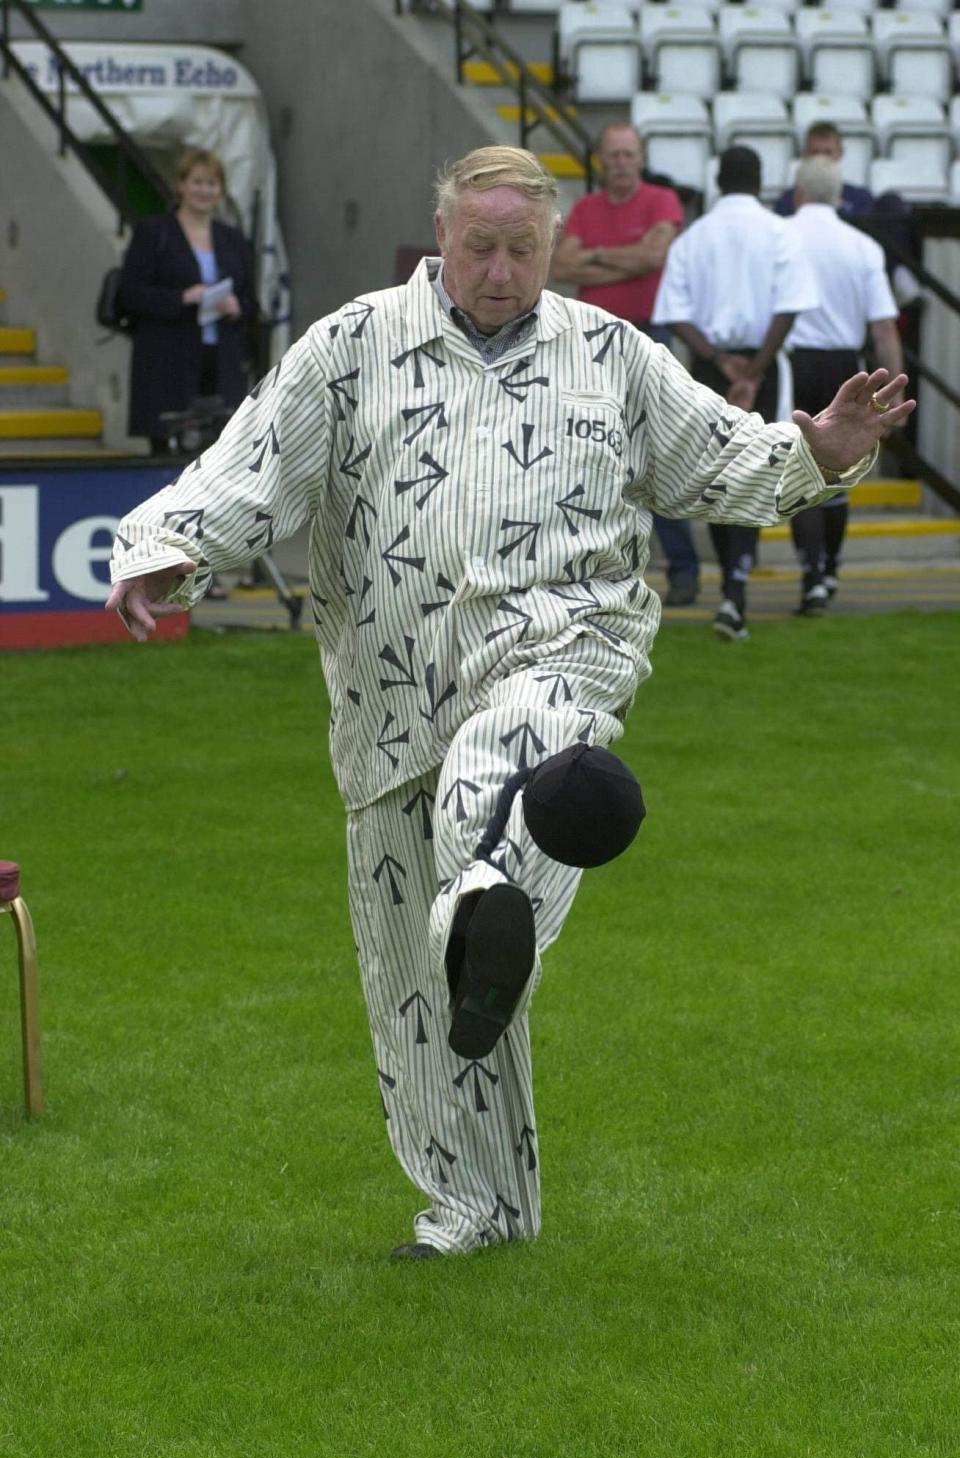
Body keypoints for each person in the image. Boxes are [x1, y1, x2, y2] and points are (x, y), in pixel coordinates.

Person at [106, 145, 912, 1260]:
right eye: (479, 246)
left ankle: (484, 898)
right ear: (440, 236)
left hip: (559, 645)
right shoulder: (351, 347)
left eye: (521, 250)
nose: (498, 271)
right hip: (388, 696)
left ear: (552, 248)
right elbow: (249, 468)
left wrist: (819, 446)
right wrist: (166, 548)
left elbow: (719, 458)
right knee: (414, 991)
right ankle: (476, 1204)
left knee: (504, 773)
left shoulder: (610, 355)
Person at [651, 146, 820, 641]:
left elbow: (675, 313)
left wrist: (720, 362)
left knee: (717, 476)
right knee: (755, 473)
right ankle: (735, 590)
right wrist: (755, 370)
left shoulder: (693, 238)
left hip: (709, 364)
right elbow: (789, 308)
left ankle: (731, 588)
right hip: (761, 364)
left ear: (719, 180)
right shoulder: (780, 231)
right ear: (760, 179)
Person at [551, 124, 700, 608]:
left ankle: (685, 571)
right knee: (588, 458)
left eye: (628, 154)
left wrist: (594, 257)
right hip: (590, 344)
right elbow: (560, 268)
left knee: (656, 455)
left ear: (640, 159)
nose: (620, 163)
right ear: (599, 161)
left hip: (648, 339)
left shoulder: (662, 202)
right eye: (612, 155)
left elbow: (655, 256)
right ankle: (592, 572)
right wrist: (625, 261)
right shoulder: (584, 209)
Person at [786, 156, 905, 614]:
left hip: (795, 360)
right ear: (839, 196)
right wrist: (891, 397)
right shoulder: (862, 246)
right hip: (845, 367)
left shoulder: (782, 237)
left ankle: (813, 573)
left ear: (797, 193)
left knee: (800, 467)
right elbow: (884, 330)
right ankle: (830, 568)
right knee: (841, 470)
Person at [120, 147, 258, 457]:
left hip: (220, 361)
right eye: (197, 182)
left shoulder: (232, 238)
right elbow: (131, 294)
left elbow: (252, 302)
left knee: (220, 453)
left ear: (220, 190)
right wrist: (182, 298)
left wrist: (236, 309)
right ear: (181, 185)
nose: (204, 191)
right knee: (168, 454)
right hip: (168, 361)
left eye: (211, 184)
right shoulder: (154, 232)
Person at [774, 122, 875, 220]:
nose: (821, 158)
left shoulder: (861, 199)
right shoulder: (787, 200)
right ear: (805, 154)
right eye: (815, 152)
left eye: (827, 153)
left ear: (840, 153)